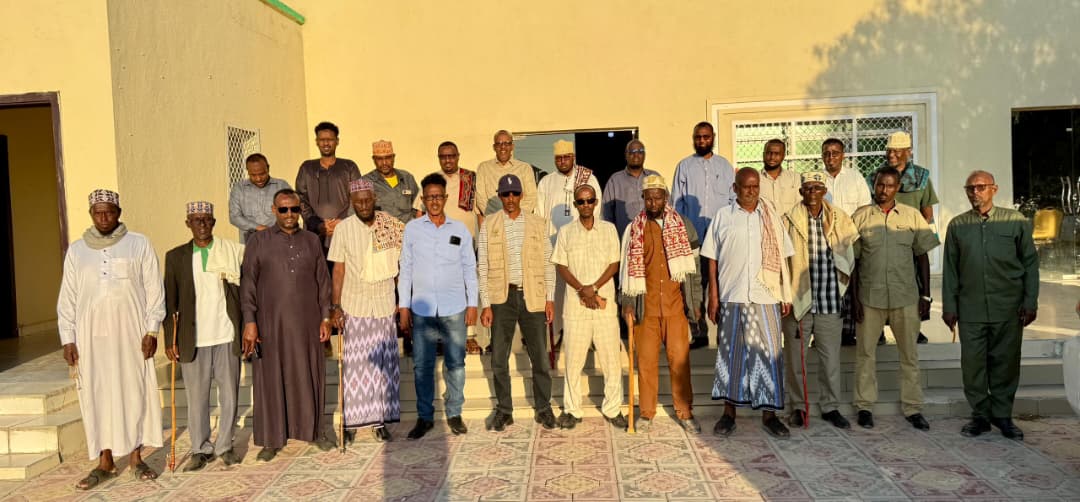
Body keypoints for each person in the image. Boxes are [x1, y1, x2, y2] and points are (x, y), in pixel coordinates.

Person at [58, 189, 165, 489]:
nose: (104, 217)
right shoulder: (77, 251)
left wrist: (152, 330)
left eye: (109, 212)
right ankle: (105, 461)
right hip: (90, 338)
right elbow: (68, 298)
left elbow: (154, 290)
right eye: (98, 212)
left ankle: (136, 458)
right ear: (91, 214)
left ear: (119, 212)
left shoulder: (139, 244)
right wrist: (68, 338)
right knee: (97, 394)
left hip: (132, 335)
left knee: (135, 391)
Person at [942, 170, 1038, 440]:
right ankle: (981, 416)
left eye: (981, 187)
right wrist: (949, 306)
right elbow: (950, 269)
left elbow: (1030, 263)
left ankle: (1003, 416)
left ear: (994, 189)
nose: (976, 192)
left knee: (1006, 363)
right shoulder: (958, 225)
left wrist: (1030, 301)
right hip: (970, 308)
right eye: (970, 188)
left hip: (1007, 306)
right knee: (973, 366)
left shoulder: (1015, 221)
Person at [241, 189, 335, 461]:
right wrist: (250, 322)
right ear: (274, 210)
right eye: (284, 209)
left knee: (309, 374)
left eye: (294, 209)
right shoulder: (258, 241)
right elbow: (248, 283)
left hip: (307, 323)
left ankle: (315, 431)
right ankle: (271, 439)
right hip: (270, 324)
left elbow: (323, 281)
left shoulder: (311, 241)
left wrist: (326, 317)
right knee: (270, 379)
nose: (290, 214)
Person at [704, 168, 794, 438]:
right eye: (746, 186)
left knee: (769, 356)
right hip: (732, 296)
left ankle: (770, 416)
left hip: (766, 297)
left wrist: (785, 293)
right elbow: (712, 258)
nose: (752, 191)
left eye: (755, 186)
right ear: (735, 188)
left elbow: (784, 256)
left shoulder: (770, 217)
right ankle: (728, 414)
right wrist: (713, 295)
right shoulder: (723, 216)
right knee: (730, 355)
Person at [850, 168, 939, 431]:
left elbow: (922, 256)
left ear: (897, 187)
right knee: (865, 354)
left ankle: (913, 408)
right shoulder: (860, 217)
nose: (884, 190)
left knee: (909, 355)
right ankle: (864, 406)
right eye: (880, 185)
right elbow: (853, 261)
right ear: (874, 185)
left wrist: (925, 294)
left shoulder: (912, 216)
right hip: (870, 297)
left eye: (889, 185)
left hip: (905, 296)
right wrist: (854, 299)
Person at [619, 174, 703, 434]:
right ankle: (646, 413)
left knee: (680, 362)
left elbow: (694, 270)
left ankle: (685, 412)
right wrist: (627, 303)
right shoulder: (634, 229)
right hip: (647, 308)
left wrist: (695, 302)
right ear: (642, 198)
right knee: (645, 363)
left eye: (658, 197)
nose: (653, 203)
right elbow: (626, 272)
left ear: (666, 197)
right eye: (648, 198)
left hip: (676, 307)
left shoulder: (684, 225)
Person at [163, 201, 244, 471]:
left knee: (229, 394)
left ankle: (225, 446)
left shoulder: (229, 251)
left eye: (207, 219)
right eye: (196, 220)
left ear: (214, 222)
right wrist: (170, 340)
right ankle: (200, 448)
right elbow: (170, 302)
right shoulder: (176, 257)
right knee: (197, 397)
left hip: (225, 334)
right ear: (188, 223)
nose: (202, 224)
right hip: (192, 338)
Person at [398, 173, 479, 439]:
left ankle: (454, 413)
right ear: (422, 199)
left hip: (454, 308)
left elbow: (469, 268)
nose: (434, 201)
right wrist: (403, 306)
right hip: (422, 310)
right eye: (429, 197)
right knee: (422, 366)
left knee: (456, 363)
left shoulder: (460, 230)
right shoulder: (412, 229)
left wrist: (472, 303)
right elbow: (406, 269)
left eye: (438, 196)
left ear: (446, 198)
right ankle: (425, 417)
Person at [780, 172, 859, 430]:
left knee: (830, 360)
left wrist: (851, 296)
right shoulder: (788, 220)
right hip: (798, 300)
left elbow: (850, 257)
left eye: (817, 188)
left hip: (830, 300)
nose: (812, 192)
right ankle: (798, 407)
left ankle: (830, 407)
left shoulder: (839, 219)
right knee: (795, 359)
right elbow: (780, 263)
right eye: (808, 188)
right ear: (801, 192)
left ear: (824, 191)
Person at [328, 179, 405, 442]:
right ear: (351, 202)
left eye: (367, 200)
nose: (363, 205)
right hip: (355, 305)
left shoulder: (390, 225)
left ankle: (379, 421)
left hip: (384, 304)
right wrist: (335, 307)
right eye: (358, 201)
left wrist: (402, 300)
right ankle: (351, 422)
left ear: (374, 199)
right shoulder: (343, 229)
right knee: (355, 367)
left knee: (383, 366)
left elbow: (399, 267)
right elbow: (338, 270)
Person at [478, 174, 556, 431]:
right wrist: (486, 304)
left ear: (521, 195)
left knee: (540, 358)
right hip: (502, 298)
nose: (510, 199)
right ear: (499, 196)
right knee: (499, 358)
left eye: (514, 194)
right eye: (505, 194)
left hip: (532, 295)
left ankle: (544, 408)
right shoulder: (489, 224)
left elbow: (548, 262)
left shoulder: (537, 223)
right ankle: (504, 410)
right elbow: (482, 265)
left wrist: (550, 299)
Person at [552, 184, 627, 430]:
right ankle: (572, 410)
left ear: (596, 202)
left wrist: (593, 288)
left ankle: (613, 408)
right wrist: (581, 289)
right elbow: (561, 266)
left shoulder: (608, 229)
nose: (585, 205)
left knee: (611, 361)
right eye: (581, 201)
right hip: (576, 307)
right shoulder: (566, 232)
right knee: (573, 362)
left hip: (604, 305)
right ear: (575, 205)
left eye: (589, 200)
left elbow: (614, 264)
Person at [412, 141, 484, 355]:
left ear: (458, 156)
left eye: (451, 156)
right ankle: (439, 338)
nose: (448, 160)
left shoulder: (471, 180)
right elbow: (419, 212)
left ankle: (469, 336)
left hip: (463, 243)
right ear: (438, 158)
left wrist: (484, 242)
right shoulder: (432, 181)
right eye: (443, 156)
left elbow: (480, 213)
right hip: (435, 245)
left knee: (465, 288)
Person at [868, 131, 938, 344]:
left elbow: (927, 212)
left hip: (909, 238)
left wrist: (918, 236)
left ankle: (913, 328)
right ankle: (878, 329)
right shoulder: (875, 176)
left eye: (897, 151)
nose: (892, 155)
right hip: (880, 237)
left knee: (913, 282)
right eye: (889, 150)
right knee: (878, 280)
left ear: (908, 152)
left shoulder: (921, 177)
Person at [670, 122, 736, 350]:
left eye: (706, 137)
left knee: (723, 283)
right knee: (695, 285)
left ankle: (724, 333)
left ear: (713, 137)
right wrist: (681, 235)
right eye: (698, 137)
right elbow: (676, 203)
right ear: (693, 138)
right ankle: (699, 332)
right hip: (693, 238)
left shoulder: (724, 166)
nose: (702, 141)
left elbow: (733, 201)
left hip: (720, 239)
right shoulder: (684, 166)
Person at [537, 139, 603, 349]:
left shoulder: (588, 178)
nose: (563, 161)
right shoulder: (546, 182)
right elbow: (540, 216)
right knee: (556, 292)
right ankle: (557, 334)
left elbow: (597, 212)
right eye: (559, 158)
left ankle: (588, 337)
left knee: (583, 287)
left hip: (582, 246)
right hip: (554, 246)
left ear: (573, 158)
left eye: (566, 157)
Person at [820, 138, 871, 347]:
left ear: (843, 155)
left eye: (835, 153)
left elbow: (864, 208)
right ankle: (826, 334)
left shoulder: (855, 178)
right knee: (828, 288)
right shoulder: (817, 179)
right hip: (824, 242)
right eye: (826, 153)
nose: (831, 157)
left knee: (851, 286)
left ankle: (848, 332)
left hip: (850, 240)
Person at [295, 121, 363, 253]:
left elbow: (357, 195)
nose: (326, 143)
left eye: (330, 139)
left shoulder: (349, 166)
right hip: (315, 232)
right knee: (317, 264)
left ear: (337, 141)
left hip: (346, 229)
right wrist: (317, 224)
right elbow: (301, 198)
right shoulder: (307, 168)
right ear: (316, 142)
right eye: (322, 140)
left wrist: (342, 221)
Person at [229, 153, 292, 243]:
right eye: (253, 175)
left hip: (280, 240)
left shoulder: (281, 186)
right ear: (247, 171)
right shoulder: (239, 189)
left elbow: (292, 210)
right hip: (251, 242)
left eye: (262, 174)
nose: (258, 179)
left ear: (268, 168)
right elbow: (234, 217)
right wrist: (258, 228)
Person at [603, 139, 659, 237]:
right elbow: (606, 214)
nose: (636, 155)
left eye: (640, 151)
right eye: (632, 152)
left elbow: (667, 205)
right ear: (626, 155)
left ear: (644, 155)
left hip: (653, 236)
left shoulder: (654, 177)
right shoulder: (615, 180)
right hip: (626, 238)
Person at [476, 130, 538, 219]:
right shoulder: (484, 168)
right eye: (499, 144)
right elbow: (481, 199)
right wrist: (497, 218)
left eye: (507, 143)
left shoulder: (525, 168)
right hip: (493, 221)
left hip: (520, 221)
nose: (503, 147)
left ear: (512, 146)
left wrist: (515, 216)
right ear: (494, 147)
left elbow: (531, 198)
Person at [364, 139, 419, 224]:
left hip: (408, 229)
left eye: (388, 158)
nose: (384, 163)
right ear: (373, 159)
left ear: (393, 157)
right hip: (381, 230)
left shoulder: (407, 178)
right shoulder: (365, 182)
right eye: (379, 159)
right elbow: (356, 213)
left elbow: (419, 207)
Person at [758, 139, 801, 215]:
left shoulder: (795, 178)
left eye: (777, 154)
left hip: (790, 222)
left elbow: (800, 205)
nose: (772, 157)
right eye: (769, 153)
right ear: (763, 155)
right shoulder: (755, 179)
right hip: (764, 222)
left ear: (783, 156)